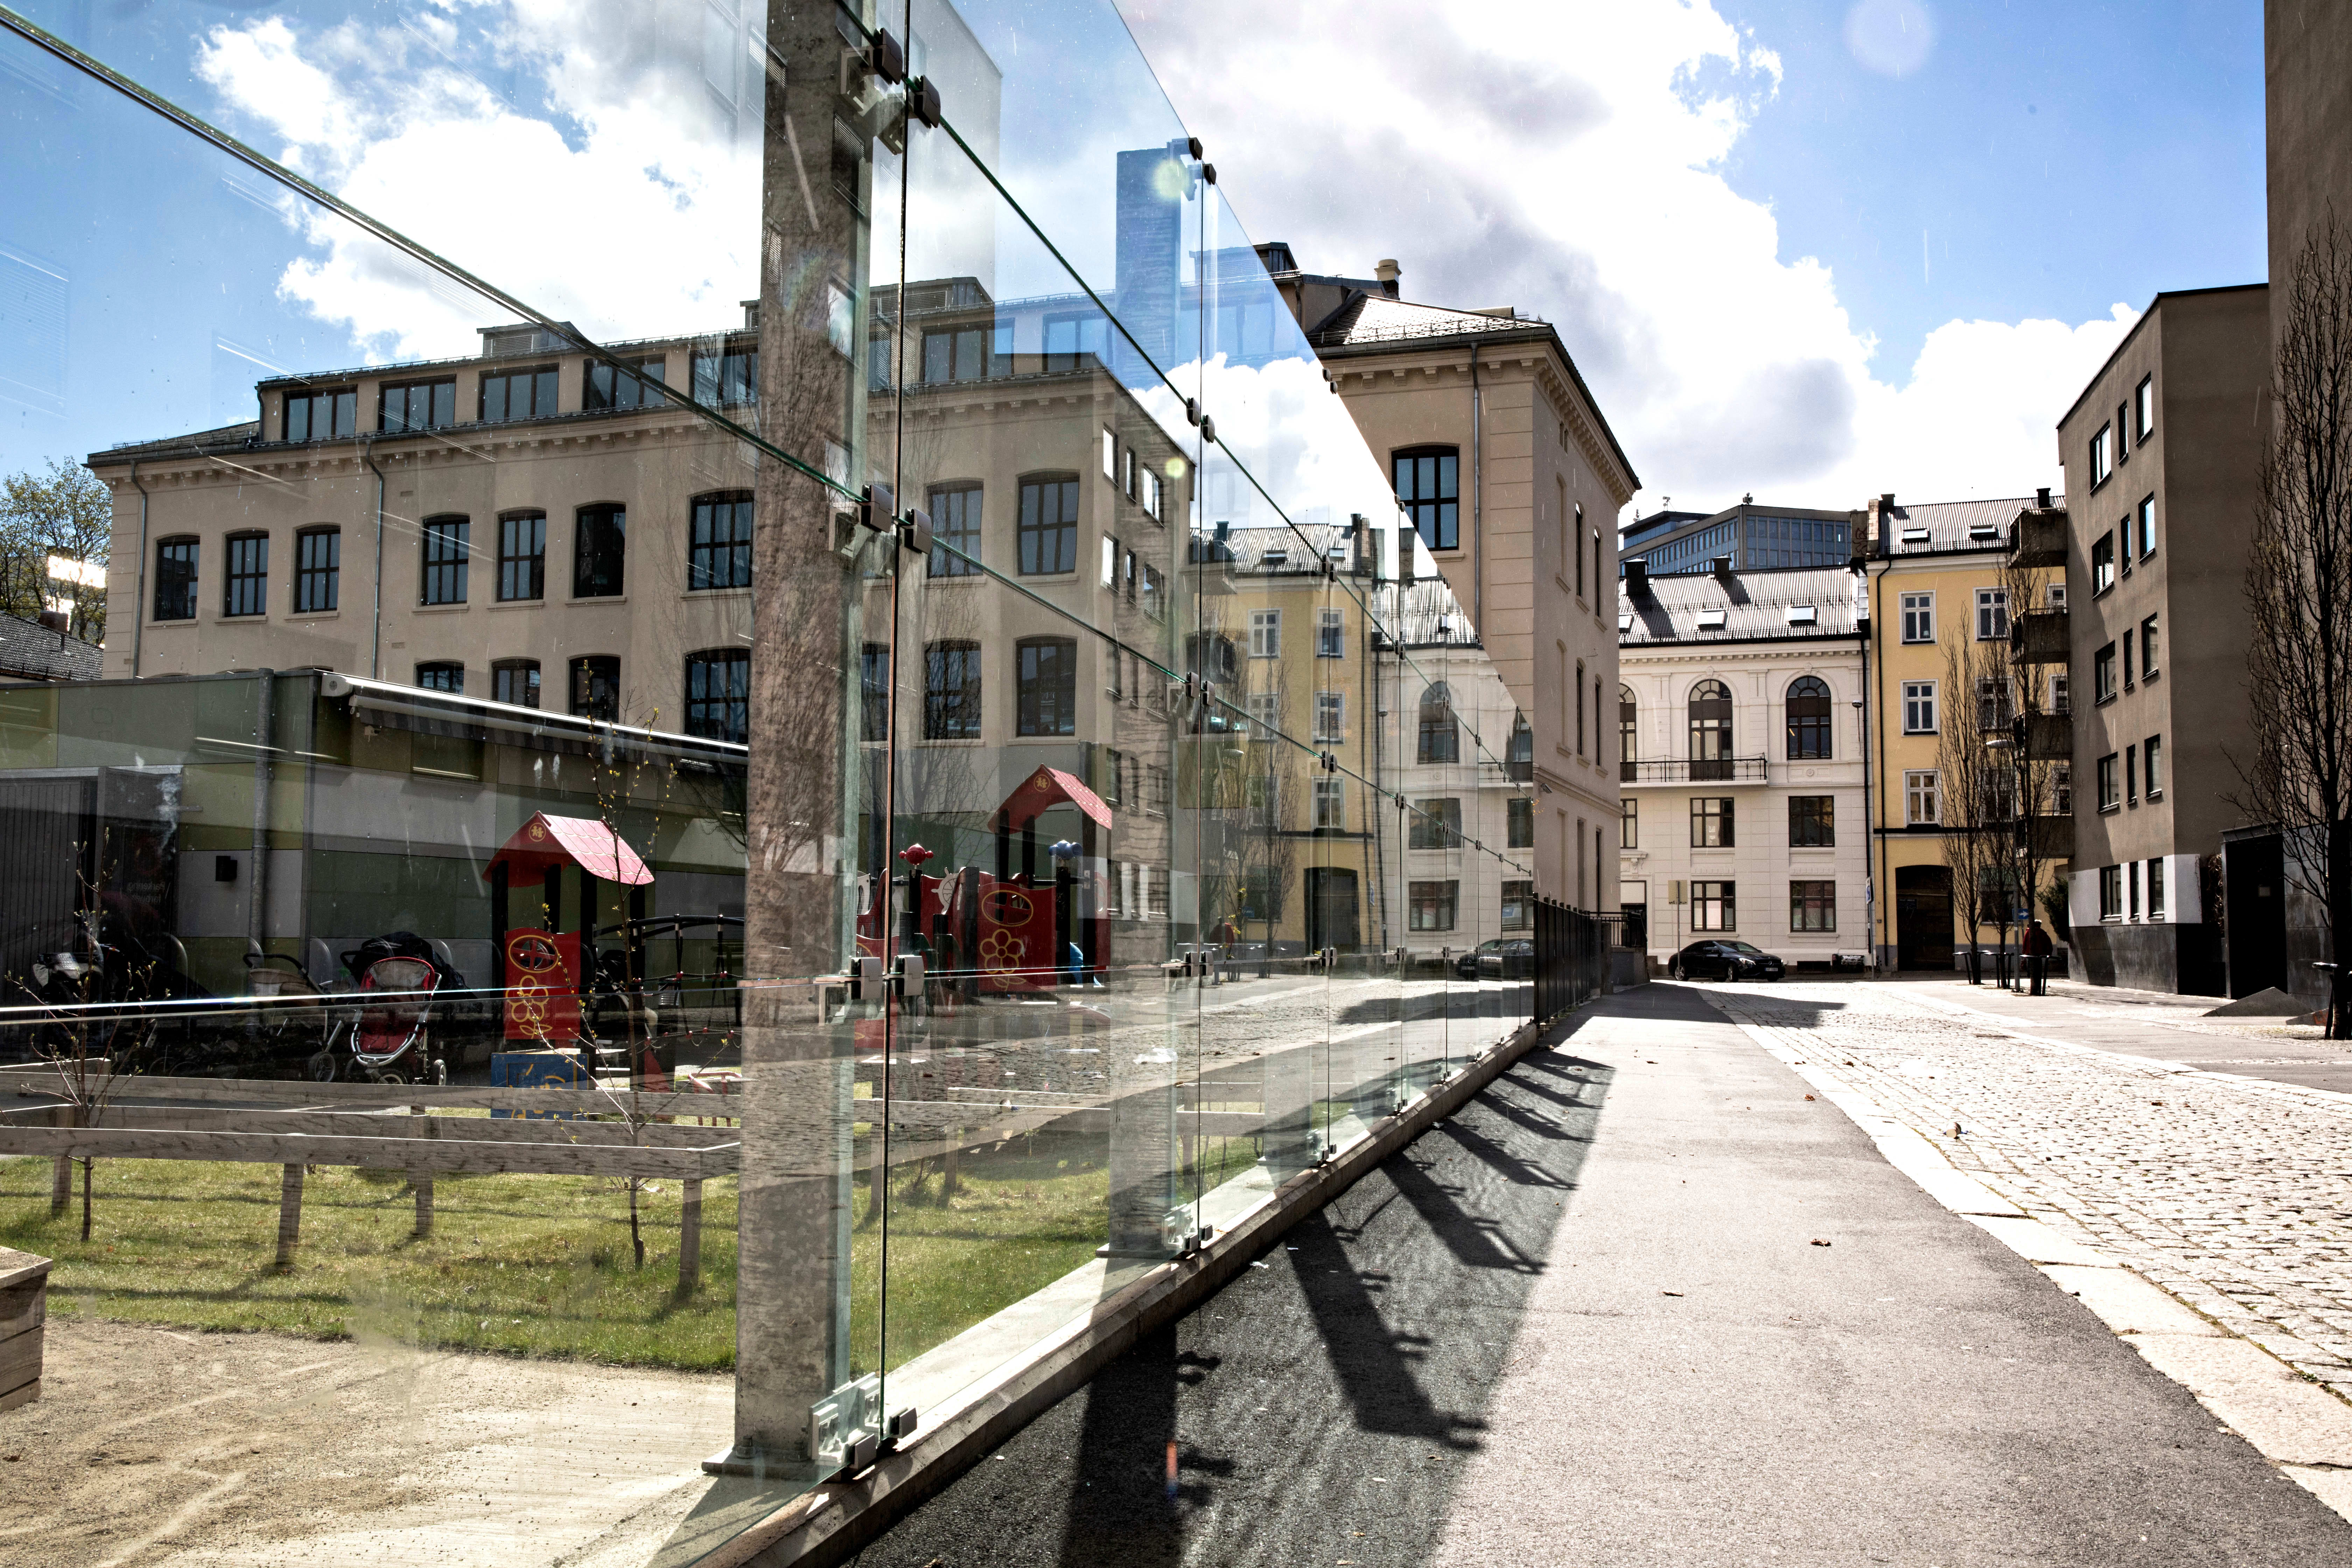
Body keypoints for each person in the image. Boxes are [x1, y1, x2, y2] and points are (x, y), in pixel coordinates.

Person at [2023, 920, 2054, 996]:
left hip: (2030, 954)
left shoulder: (2028, 932)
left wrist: (2024, 952)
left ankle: (2032, 979)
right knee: (2039, 970)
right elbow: (2048, 944)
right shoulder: (2042, 933)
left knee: (2032, 968)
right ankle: (2038, 988)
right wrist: (2048, 953)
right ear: (2040, 925)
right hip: (2040, 954)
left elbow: (2025, 943)